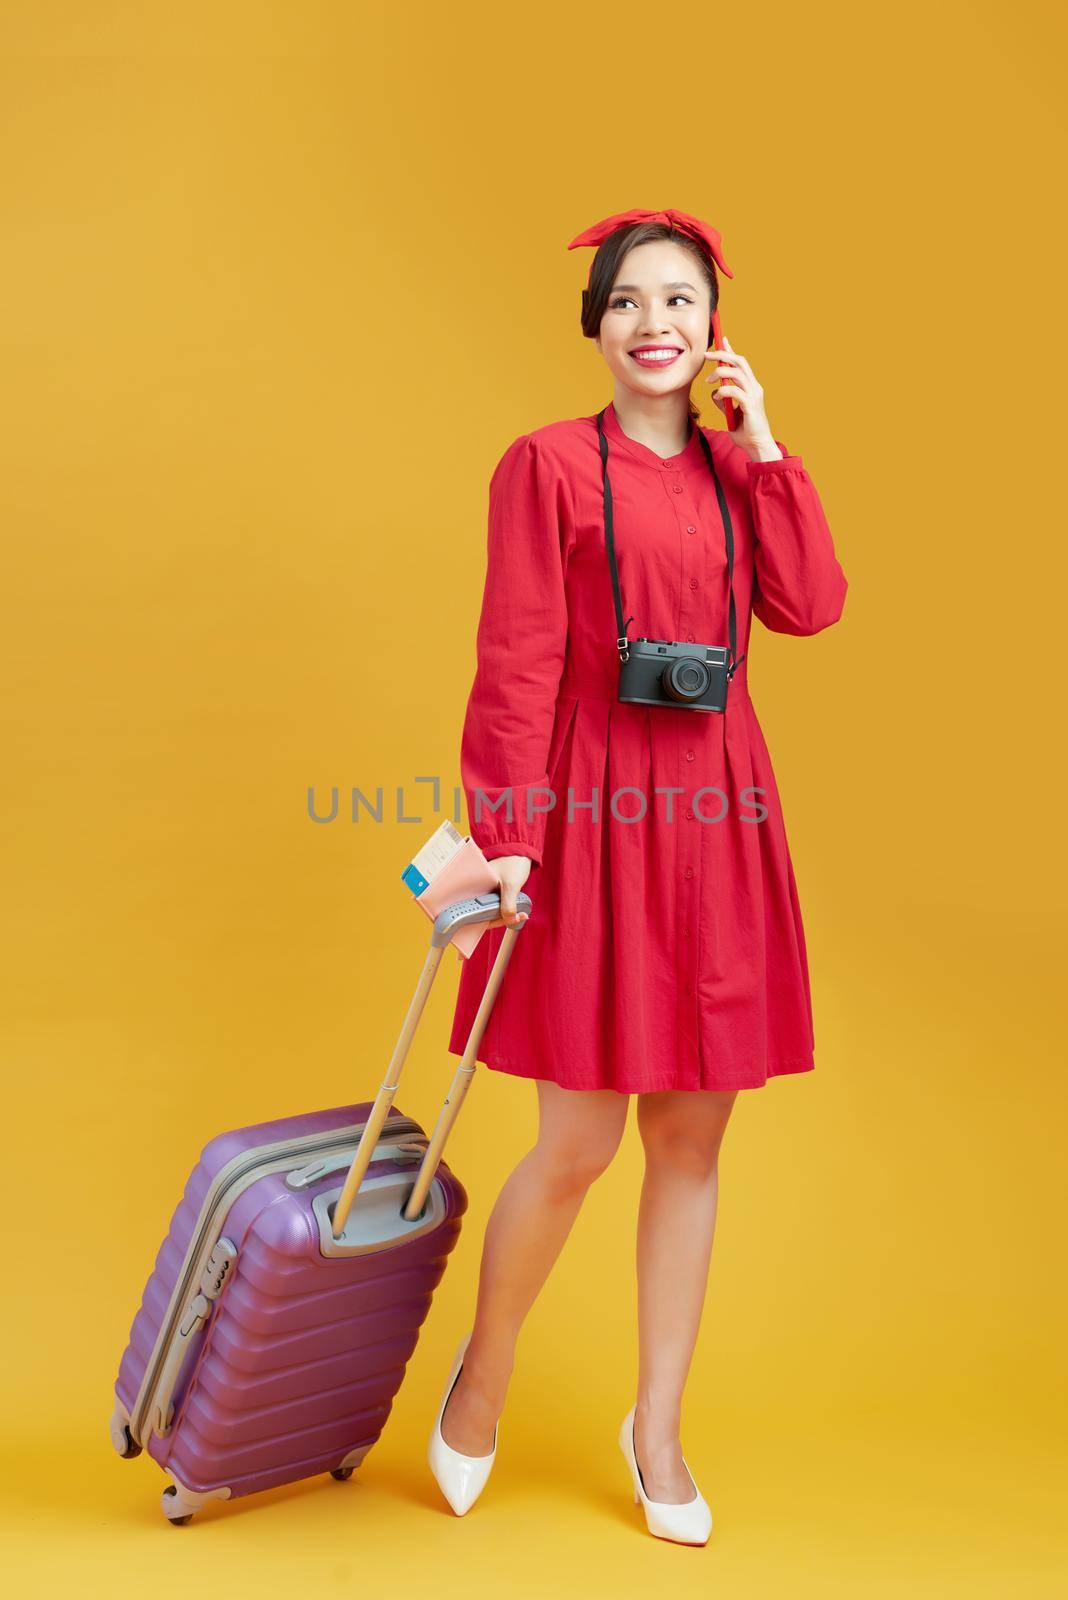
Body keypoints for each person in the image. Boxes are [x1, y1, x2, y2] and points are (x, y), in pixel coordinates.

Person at [427, 208, 848, 1543]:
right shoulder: (546, 466)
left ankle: (657, 1428)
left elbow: (813, 603)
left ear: (714, 330)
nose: (654, 324)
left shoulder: (740, 472)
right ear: (596, 326)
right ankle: (482, 1374)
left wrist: (766, 442)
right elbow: (517, 656)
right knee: (578, 1140)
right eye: (628, 303)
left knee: (692, 1133)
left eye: (681, 302)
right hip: (596, 811)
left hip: (719, 816)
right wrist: (505, 833)